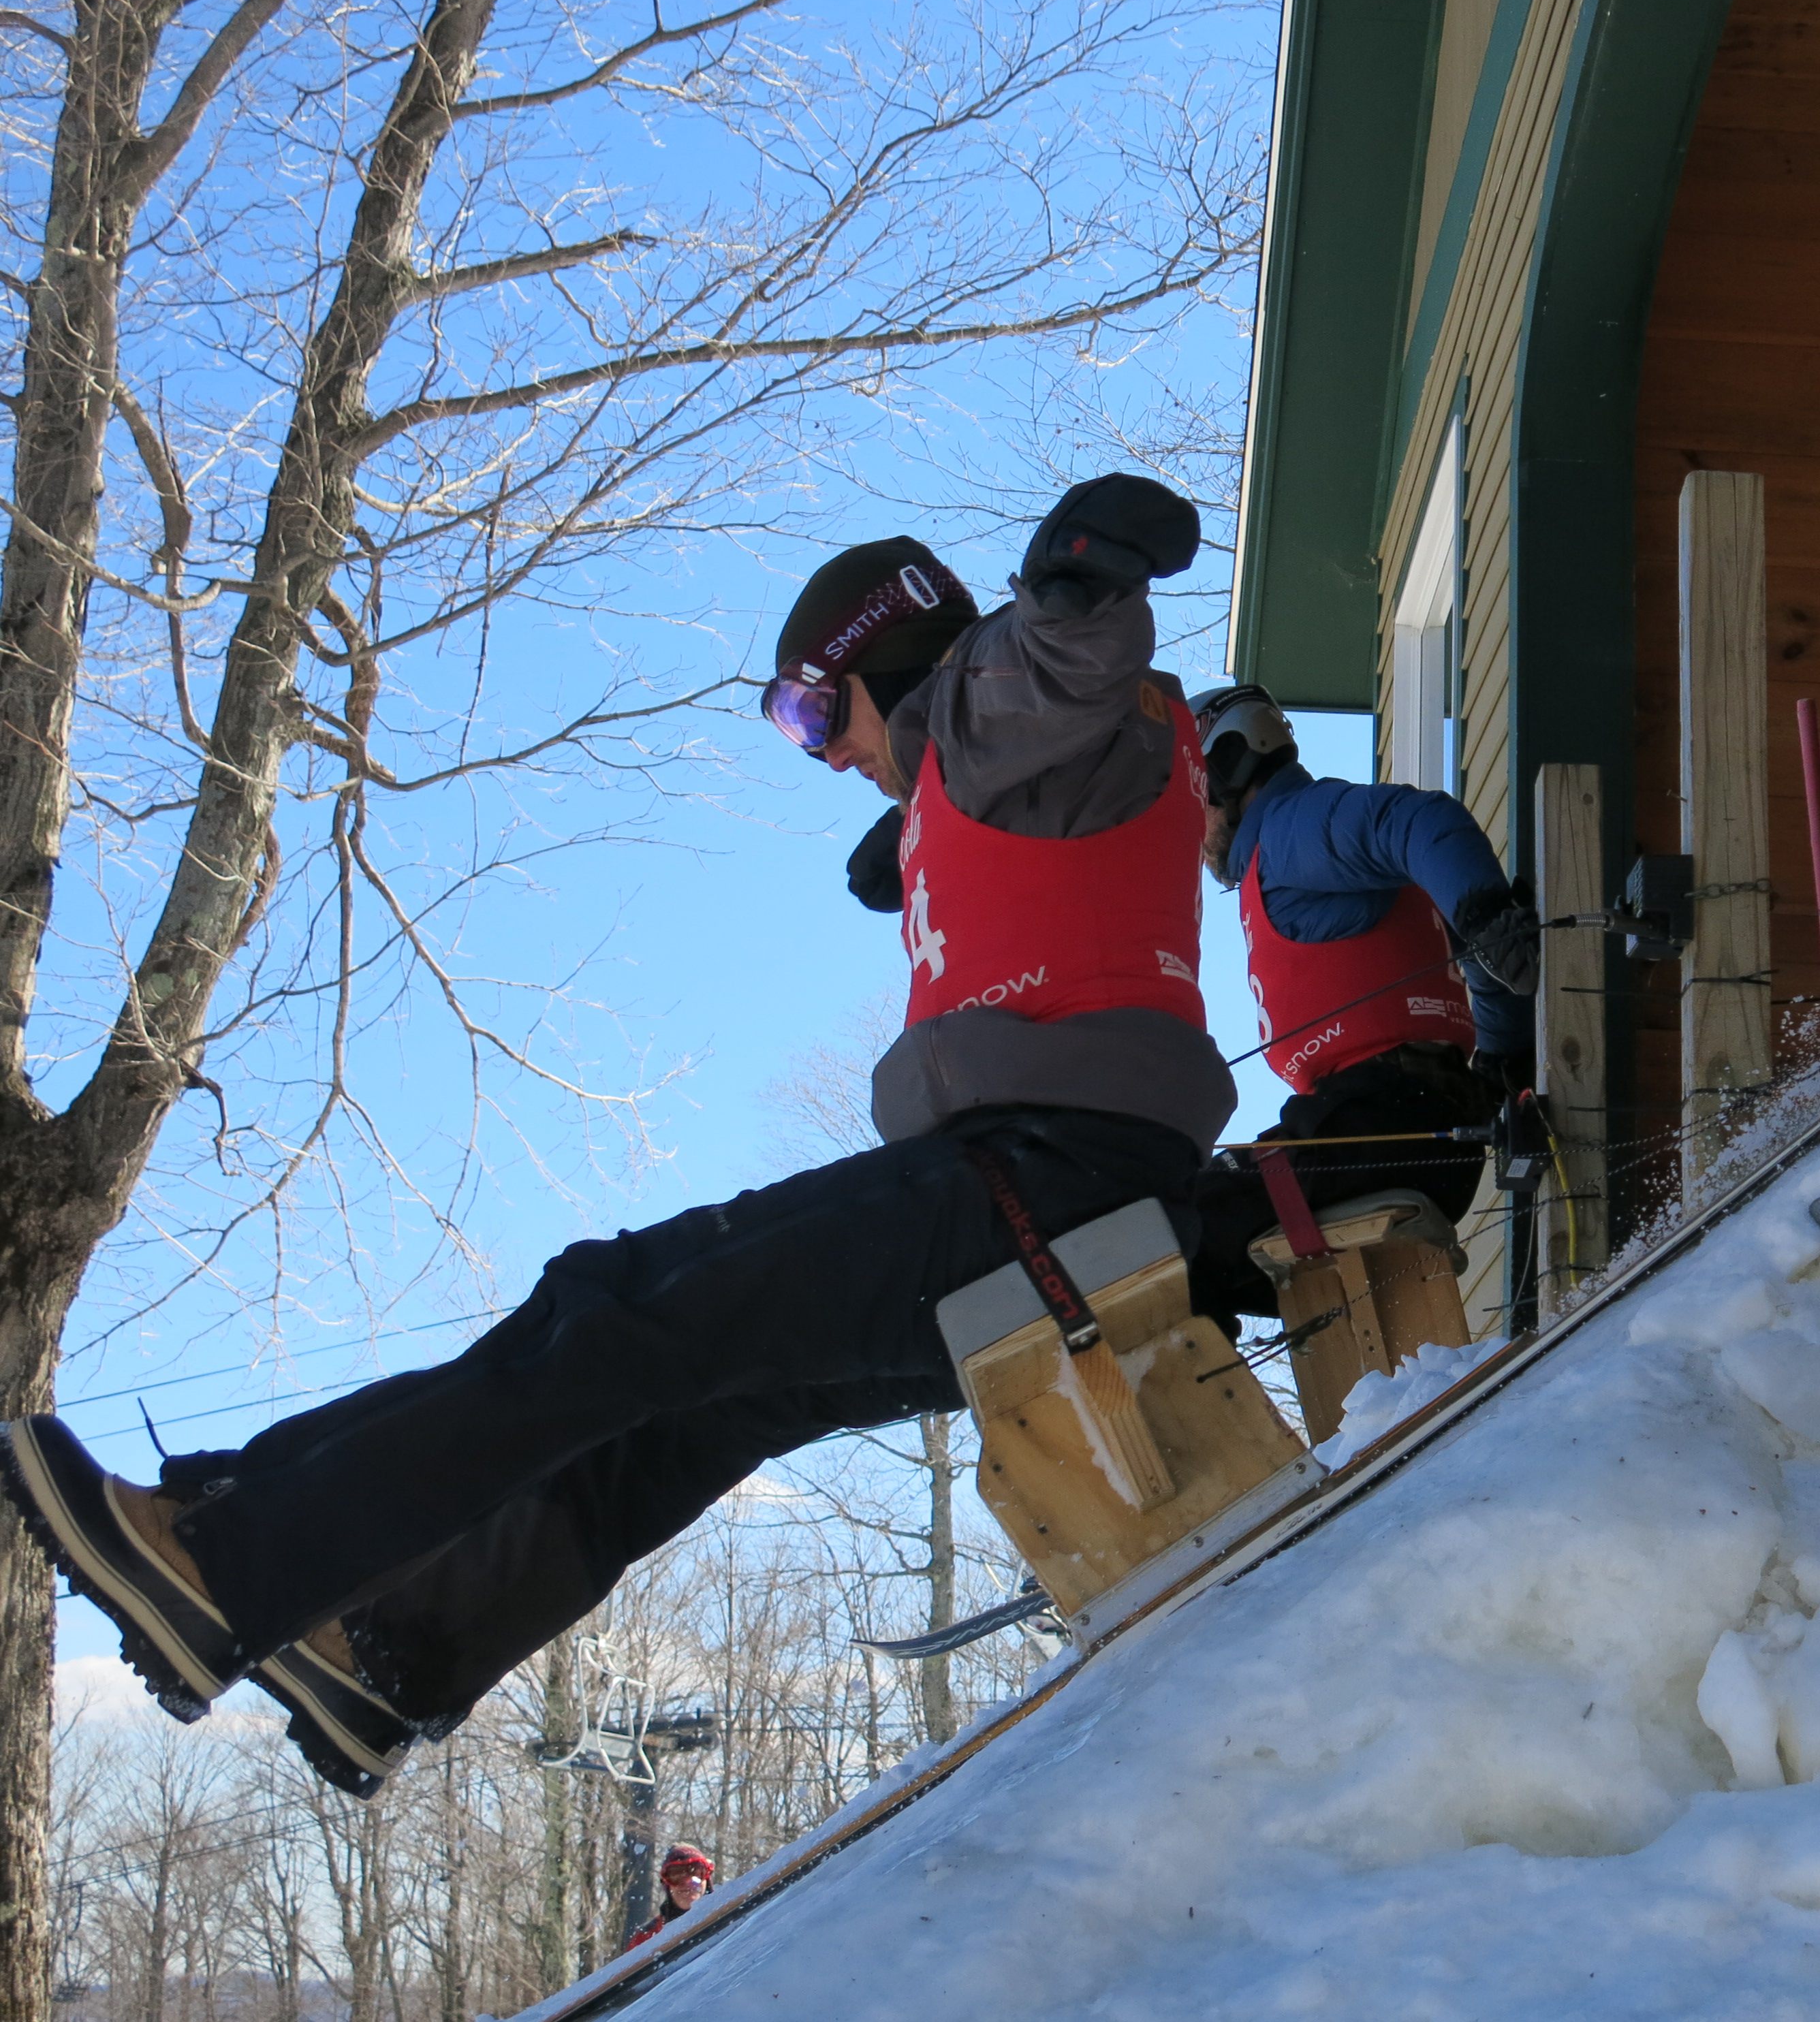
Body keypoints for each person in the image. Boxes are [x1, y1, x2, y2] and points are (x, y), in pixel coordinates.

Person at [0, 477, 1227, 1800]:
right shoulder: (992, 765)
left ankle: (229, 1558)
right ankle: (391, 1650)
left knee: (619, 1311)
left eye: (816, 707)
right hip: (1033, 1207)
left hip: (1045, 1190)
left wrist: (1079, 573)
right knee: (687, 1406)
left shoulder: (1004, 694)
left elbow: (1067, 654)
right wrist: (917, 826)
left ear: (888, 658)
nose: (818, 750)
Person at [1178, 684, 1540, 1320]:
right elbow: (1483, 970)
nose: (1189, 833)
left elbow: (1420, 819)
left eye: (1189, 803)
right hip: (1432, 1138)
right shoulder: (1302, 859)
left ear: (1226, 770)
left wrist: (1489, 915)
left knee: (1168, 1240)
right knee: (1225, 1274)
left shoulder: (1293, 829)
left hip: (1375, 1125)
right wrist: (1504, 1062)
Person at [624, 1844, 715, 1952]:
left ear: (707, 1880)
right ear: (667, 1885)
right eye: (677, 1876)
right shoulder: (646, 1938)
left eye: (697, 1873)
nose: (688, 1883)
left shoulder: (726, 1917)